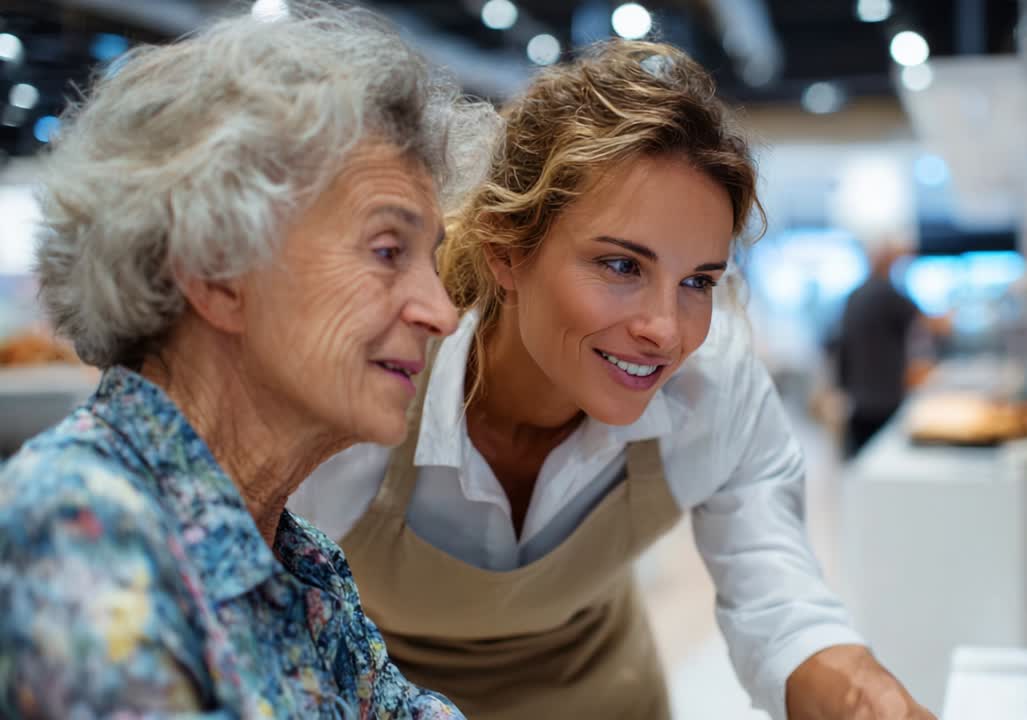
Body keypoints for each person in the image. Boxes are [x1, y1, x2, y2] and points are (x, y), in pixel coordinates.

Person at [291, 40, 934, 720]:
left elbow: (781, 608)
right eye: (622, 266)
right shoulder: (369, 388)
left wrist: (872, 699)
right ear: (507, 249)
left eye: (697, 282)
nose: (666, 329)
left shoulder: (711, 391)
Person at [0, 4, 494, 717]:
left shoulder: (299, 562)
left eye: (433, 262)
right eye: (388, 251)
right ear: (214, 269)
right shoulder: (76, 533)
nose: (442, 313)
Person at [832, 233, 933, 457]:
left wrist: (842, 387)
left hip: (859, 398)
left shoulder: (855, 295)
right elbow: (930, 324)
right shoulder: (888, 294)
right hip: (885, 398)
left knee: (859, 462)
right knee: (883, 460)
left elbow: (841, 347)